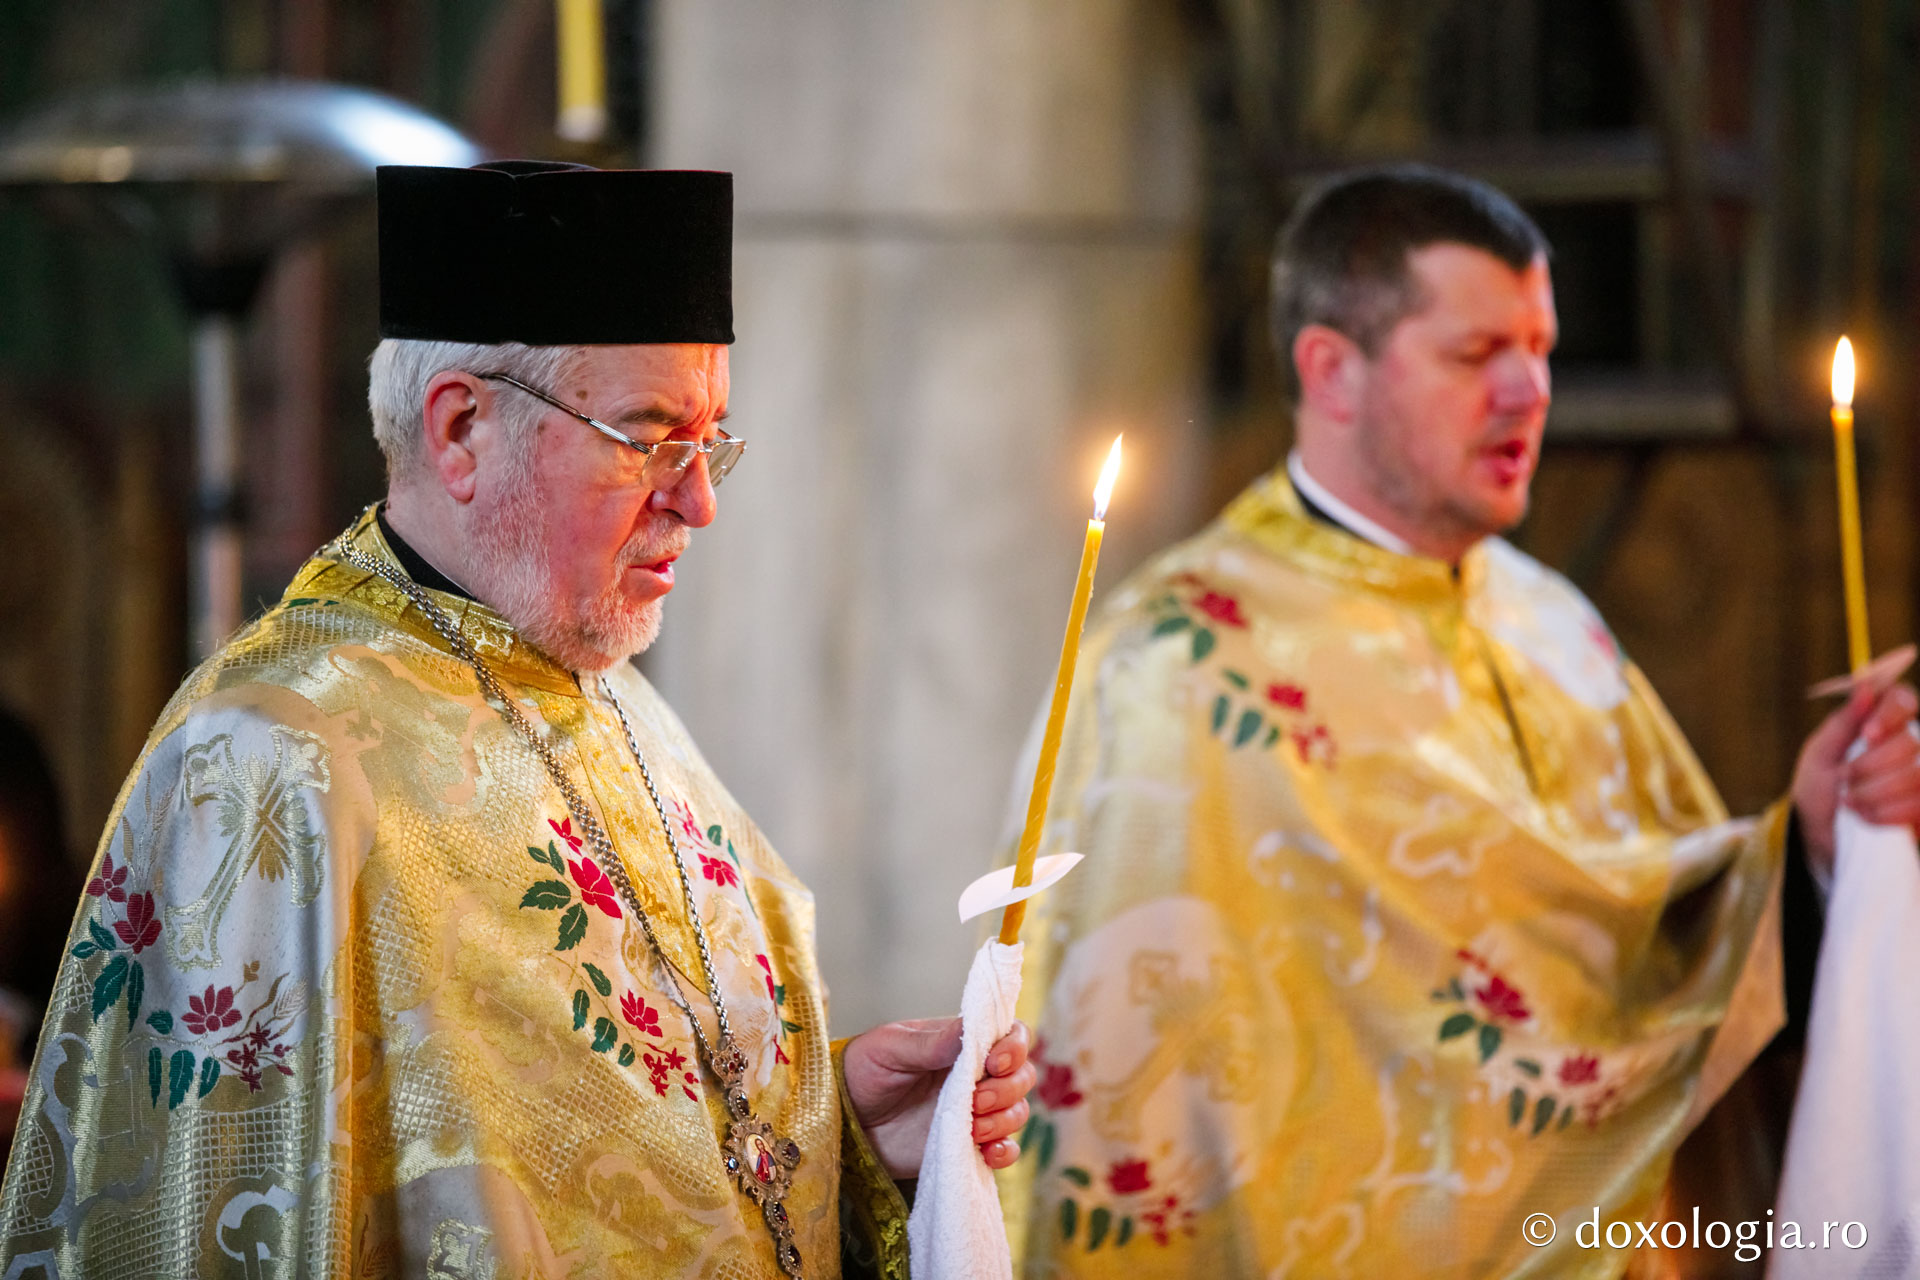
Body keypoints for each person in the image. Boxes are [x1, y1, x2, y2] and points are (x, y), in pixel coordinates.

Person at [0, 161, 1033, 1280]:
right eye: (649, 440)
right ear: (460, 431)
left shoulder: (607, 695)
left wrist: (841, 1143)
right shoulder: (270, 760)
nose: (700, 499)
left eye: (713, 439)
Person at [998, 165, 1920, 1278]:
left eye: (1541, 346)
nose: (1533, 390)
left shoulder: (1550, 617)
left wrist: (1813, 844)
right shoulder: (1173, 664)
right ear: (1332, 370)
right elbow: (1111, 1087)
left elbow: (1654, 935)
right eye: (1481, 354)